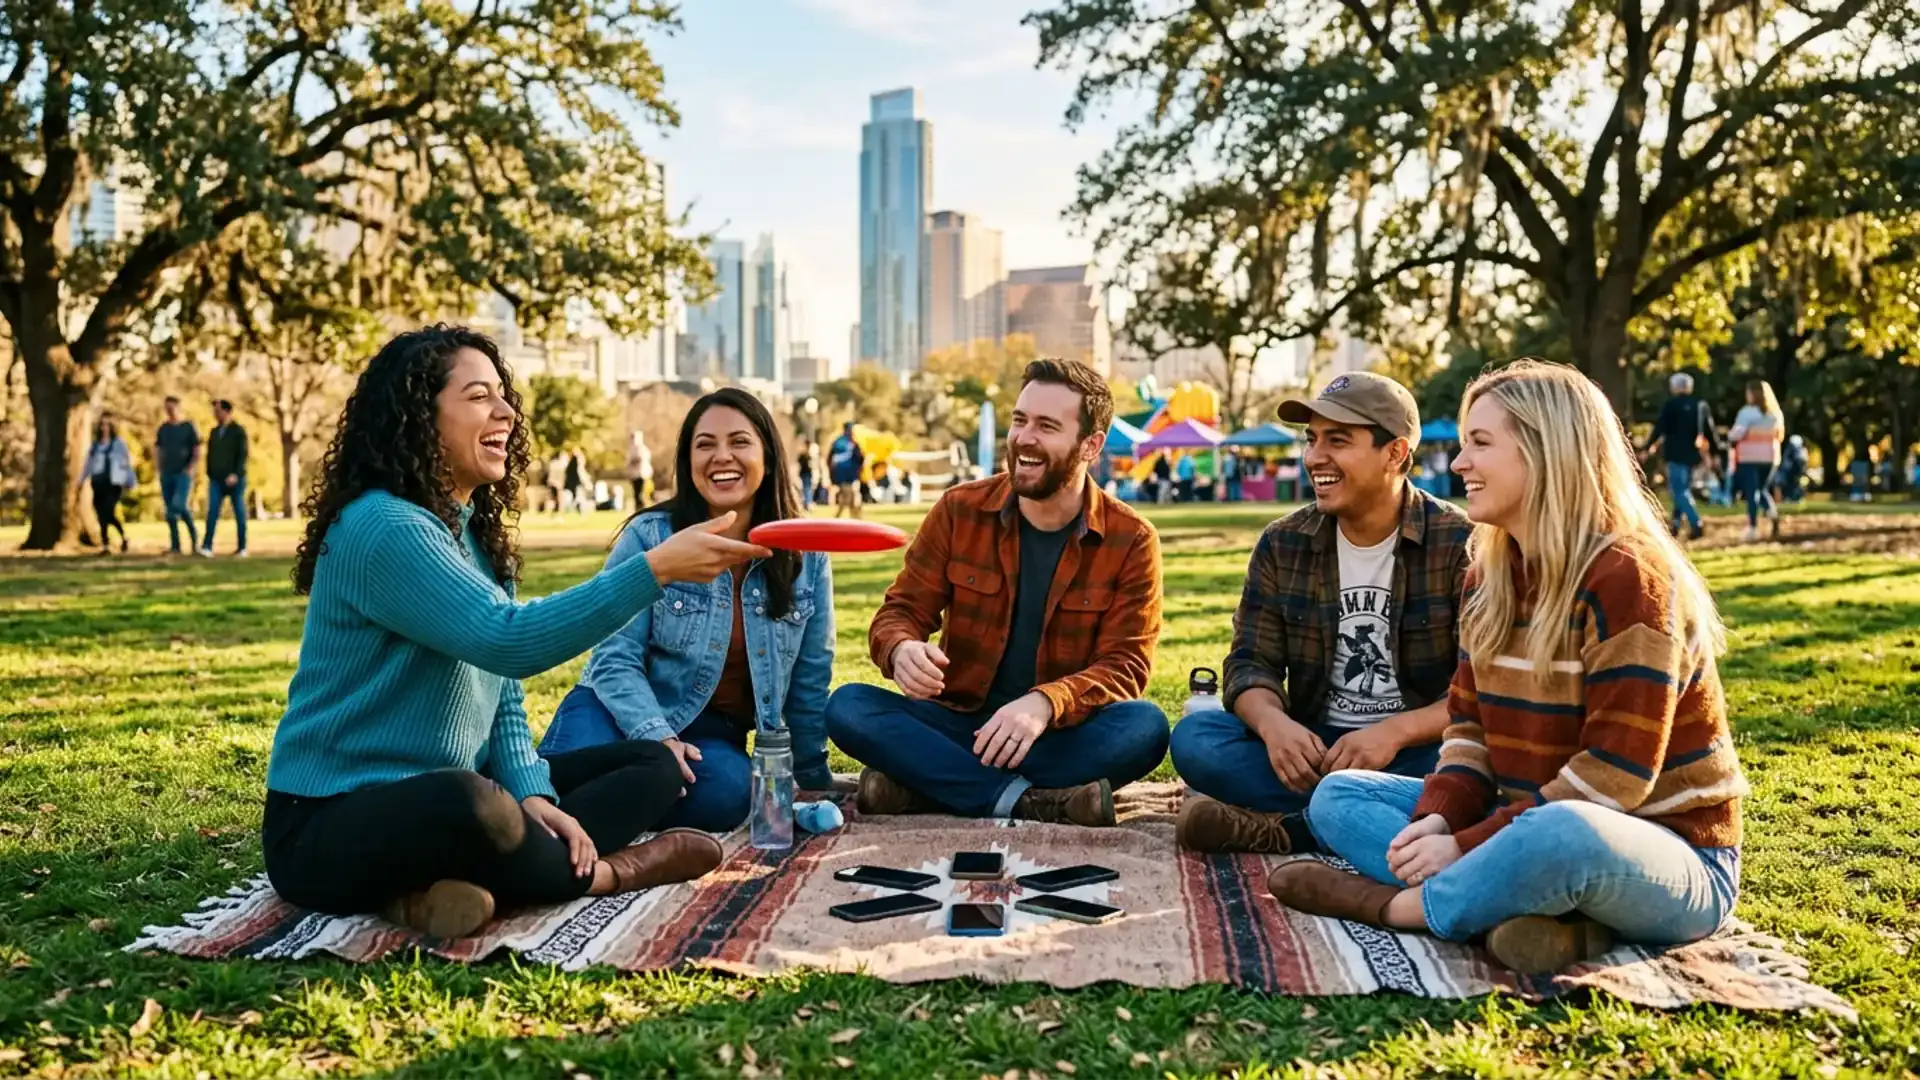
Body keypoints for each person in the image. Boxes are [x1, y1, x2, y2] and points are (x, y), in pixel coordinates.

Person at [262, 326, 771, 939]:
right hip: (327, 822)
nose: (506, 410)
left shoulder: (469, 533)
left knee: (655, 766)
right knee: (468, 800)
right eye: (479, 396)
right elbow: (510, 641)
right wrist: (655, 569)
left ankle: (431, 894)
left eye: (503, 395)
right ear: (419, 417)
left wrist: (535, 794)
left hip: (448, 799)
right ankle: (607, 875)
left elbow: (500, 690)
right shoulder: (382, 526)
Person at [1273, 359, 1746, 975]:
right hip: (1520, 818)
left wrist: (1462, 846)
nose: (1459, 463)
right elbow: (1468, 734)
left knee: (1564, 834)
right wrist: (1438, 818)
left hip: (1663, 852)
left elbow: (1614, 779)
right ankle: (1545, 918)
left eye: (1480, 443)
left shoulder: (1628, 576)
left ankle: (1397, 908)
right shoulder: (1489, 576)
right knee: (1338, 796)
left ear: (1547, 452)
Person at [825, 359, 1169, 827]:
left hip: (1055, 733)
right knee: (848, 707)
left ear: (1091, 445)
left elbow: (1125, 667)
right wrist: (901, 646)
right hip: (956, 724)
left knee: (1144, 729)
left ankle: (926, 786)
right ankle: (1031, 802)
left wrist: (1046, 703)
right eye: (1019, 420)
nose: (1024, 438)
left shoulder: (1132, 539)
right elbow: (901, 611)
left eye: (1047, 426)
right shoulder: (958, 510)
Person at [1169, 372, 1471, 854]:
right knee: (1196, 738)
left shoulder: (1459, 544)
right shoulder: (1283, 542)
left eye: (1338, 440)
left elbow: (1484, 687)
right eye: (1312, 440)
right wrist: (1274, 726)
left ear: (1395, 453)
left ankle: (1292, 830)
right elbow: (1249, 664)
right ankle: (1365, 814)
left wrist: (1395, 732)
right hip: (1317, 748)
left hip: (1416, 748)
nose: (1313, 458)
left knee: (1480, 760)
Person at [539, 388, 837, 830]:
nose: (722, 457)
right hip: (615, 711)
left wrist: (811, 775)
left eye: (739, 442)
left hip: (710, 736)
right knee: (565, 780)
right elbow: (613, 658)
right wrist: (657, 738)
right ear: (688, 461)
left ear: (768, 457)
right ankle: (571, 830)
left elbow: (810, 676)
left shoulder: (806, 555)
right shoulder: (650, 537)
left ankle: (594, 824)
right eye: (705, 445)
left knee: (731, 797)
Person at [1640, 373, 1716, 540]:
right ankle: (1675, 525)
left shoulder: (1670, 405)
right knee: (1683, 490)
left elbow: (1660, 427)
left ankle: (1696, 523)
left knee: (1678, 491)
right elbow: (1709, 430)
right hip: (1692, 455)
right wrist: (1714, 452)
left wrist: (1648, 447)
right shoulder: (1699, 405)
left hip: (1674, 454)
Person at [1728, 380, 1784, 541]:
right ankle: (1772, 514)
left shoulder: (1747, 412)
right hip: (1771, 457)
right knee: (1762, 488)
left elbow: (1737, 433)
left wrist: (1728, 438)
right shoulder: (1775, 413)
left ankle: (1752, 527)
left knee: (1752, 491)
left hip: (1750, 456)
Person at [78, 414, 135, 554]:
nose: (104, 428)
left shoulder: (118, 444)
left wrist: (130, 481)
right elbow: (88, 464)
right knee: (101, 514)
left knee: (108, 512)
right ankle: (105, 545)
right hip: (98, 482)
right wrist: (81, 480)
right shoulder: (95, 445)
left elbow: (126, 463)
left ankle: (123, 536)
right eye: (102, 425)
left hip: (113, 483)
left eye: (107, 425)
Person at [200, 400, 249, 558]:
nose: (215, 414)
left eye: (218, 410)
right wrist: (210, 472)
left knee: (239, 512)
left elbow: (243, 454)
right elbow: (210, 454)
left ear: (227, 412)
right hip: (216, 479)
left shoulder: (238, 431)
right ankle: (207, 546)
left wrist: (236, 473)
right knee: (212, 511)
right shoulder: (214, 432)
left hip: (235, 480)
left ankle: (242, 547)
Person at [155, 397, 201, 555]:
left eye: (172, 408)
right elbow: (158, 448)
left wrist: (191, 467)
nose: (170, 411)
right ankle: (176, 545)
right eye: (167, 408)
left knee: (177, 505)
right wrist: (159, 467)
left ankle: (194, 538)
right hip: (167, 472)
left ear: (179, 408)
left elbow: (197, 448)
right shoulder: (163, 429)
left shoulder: (188, 427)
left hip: (183, 473)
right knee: (175, 510)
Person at [827, 422, 864, 519]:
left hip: (843, 475)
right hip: (847, 475)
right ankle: (837, 519)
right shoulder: (851, 442)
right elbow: (860, 458)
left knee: (851, 498)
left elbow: (830, 459)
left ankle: (856, 520)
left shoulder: (838, 442)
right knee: (849, 497)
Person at [626, 432, 654, 510]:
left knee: (642, 494)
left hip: (642, 475)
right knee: (636, 494)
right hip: (634, 475)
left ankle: (644, 509)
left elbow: (641, 460)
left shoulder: (643, 449)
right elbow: (628, 463)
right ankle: (638, 509)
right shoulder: (631, 449)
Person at [1779, 435, 1808, 503]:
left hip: (1792, 470)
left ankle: (1792, 498)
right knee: (1795, 484)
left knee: (1793, 484)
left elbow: (1787, 460)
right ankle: (1794, 498)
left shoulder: (1792, 449)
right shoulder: (1802, 449)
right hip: (1795, 470)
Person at [567, 447, 593, 516]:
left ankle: (581, 510)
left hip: (580, 481)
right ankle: (579, 509)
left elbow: (580, 470)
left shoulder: (578, 460)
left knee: (581, 497)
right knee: (579, 497)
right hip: (578, 482)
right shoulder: (574, 461)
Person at [796, 441, 816, 510]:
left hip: (807, 474)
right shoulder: (804, 454)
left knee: (807, 488)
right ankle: (807, 503)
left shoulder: (809, 454)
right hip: (804, 473)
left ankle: (808, 503)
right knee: (806, 488)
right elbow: (799, 461)